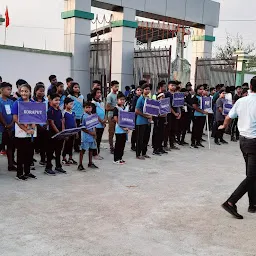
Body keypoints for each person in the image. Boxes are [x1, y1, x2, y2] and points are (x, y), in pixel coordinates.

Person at [220, 77, 256, 219]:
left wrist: (224, 126)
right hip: (254, 142)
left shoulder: (241, 101)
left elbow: (229, 117)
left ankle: (253, 204)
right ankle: (231, 201)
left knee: (252, 174)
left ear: (251, 87)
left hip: (243, 141)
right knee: (252, 175)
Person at [12, 83, 36, 180]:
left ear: (30, 92)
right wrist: (26, 129)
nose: (24, 93)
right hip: (20, 131)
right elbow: (15, 118)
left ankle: (27, 172)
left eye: (26, 91)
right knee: (21, 153)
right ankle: (19, 173)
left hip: (31, 131)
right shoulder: (16, 103)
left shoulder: (33, 103)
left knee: (29, 152)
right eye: (22, 91)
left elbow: (36, 116)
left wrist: (33, 127)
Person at [45, 93, 66, 175]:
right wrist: (58, 132)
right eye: (55, 100)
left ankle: (58, 166)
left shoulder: (59, 110)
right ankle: (48, 167)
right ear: (51, 101)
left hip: (60, 134)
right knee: (50, 151)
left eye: (59, 100)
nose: (57, 102)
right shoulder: (50, 111)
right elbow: (51, 123)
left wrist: (63, 131)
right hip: (52, 134)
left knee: (58, 151)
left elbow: (62, 121)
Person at [78, 102, 99, 171]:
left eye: (89, 107)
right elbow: (82, 127)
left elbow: (94, 126)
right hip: (85, 136)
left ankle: (90, 162)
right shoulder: (83, 116)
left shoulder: (93, 115)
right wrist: (90, 132)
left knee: (91, 149)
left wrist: (94, 134)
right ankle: (80, 164)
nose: (88, 109)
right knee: (83, 150)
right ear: (84, 108)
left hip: (92, 136)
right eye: (86, 107)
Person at [0, 82, 16, 171]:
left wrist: (12, 124)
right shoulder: (0, 101)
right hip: (2, 129)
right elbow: (0, 114)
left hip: (11, 127)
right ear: (1, 90)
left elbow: (14, 113)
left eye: (10, 89)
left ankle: (10, 165)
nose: (10, 91)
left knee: (11, 147)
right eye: (8, 89)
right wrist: (6, 125)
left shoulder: (11, 101)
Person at [135, 83, 152, 160]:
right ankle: (138, 154)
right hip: (141, 121)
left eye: (148, 89)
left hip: (148, 122)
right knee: (140, 139)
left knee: (146, 138)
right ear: (142, 90)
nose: (147, 90)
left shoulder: (148, 99)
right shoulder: (140, 99)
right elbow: (136, 111)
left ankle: (144, 153)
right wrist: (146, 116)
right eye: (146, 89)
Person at [33, 82, 48, 166]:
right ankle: (30, 160)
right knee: (33, 143)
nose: (41, 92)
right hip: (34, 125)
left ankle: (43, 159)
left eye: (43, 91)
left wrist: (46, 123)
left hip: (44, 124)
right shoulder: (32, 101)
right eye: (40, 91)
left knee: (44, 143)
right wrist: (37, 124)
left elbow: (46, 113)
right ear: (35, 91)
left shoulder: (45, 101)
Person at [113, 92, 129, 164]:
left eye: (123, 99)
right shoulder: (116, 108)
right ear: (117, 100)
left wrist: (128, 126)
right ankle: (116, 159)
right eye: (121, 99)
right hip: (119, 130)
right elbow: (116, 119)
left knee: (123, 144)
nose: (122, 101)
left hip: (125, 130)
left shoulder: (125, 108)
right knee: (118, 145)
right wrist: (123, 127)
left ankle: (120, 158)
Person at [68, 82, 84, 152]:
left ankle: (77, 146)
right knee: (73, 132)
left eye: (78, 87)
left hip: (80, 116)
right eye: (75, 87)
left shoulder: (81, 96)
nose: (77, 88)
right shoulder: (69, 97)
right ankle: (71, 147)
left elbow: (82, 106)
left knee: (79, 132)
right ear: (72, 88)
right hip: (73, 116)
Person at [164, 81, 181, 150]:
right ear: (168, 86)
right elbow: (168, 105)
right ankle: (165, 145)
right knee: (167, 130)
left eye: (174, 85)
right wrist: (174, 113)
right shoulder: (166, 94)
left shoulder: (177, 94)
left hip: (176, 114)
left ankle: (172, 144)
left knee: (174, 129)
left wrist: (179, 113)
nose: (173, 87)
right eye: (172, 85)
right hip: (169, 114)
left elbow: (179, 104)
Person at [91, 88, 106, 160]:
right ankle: (94, 153)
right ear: (94, 94)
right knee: (95, 139)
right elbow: (94, 114)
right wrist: (101, 121)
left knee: (99, 139)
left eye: (100, 92)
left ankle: (98, 152)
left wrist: (105, 120)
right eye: (97, 93)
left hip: (102, 124)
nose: (99, 94)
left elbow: (104, 111)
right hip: (96, 124)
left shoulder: (102, 102)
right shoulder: (93, 103)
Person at [62, 97, 77, 165]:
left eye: (72, 104)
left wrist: (76, 131)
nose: (72, 105)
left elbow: (75, 122)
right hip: (67, 132)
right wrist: (64, 133)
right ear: (65, 104)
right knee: (66, 145)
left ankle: (70, 158)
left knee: (71, 145)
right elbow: (63, 123)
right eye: (70, 104)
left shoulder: (73, 113)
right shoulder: (64, 113)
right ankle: (64, 158)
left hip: (73, 131)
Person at [106, 80, 119, 154]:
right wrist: (116, 108)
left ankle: (116, 146)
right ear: (111, 87)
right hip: (111, 116)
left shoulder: (118, 95)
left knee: (118, 132)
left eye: (117, 86)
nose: (117, 88)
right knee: (111, 132)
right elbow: (107, 107)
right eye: (115, 86)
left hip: (117, 115)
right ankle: (111, 147)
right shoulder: (110, 96)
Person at [130, 86, 142, 151]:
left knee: (138, 131)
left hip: (140, 116)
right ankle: (133, 145)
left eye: (140, 90)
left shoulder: (142, 97)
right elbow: (133, 108)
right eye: (138, 90)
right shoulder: (135, 98)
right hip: (135, 115)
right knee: (135, 131)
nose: (139, 91)